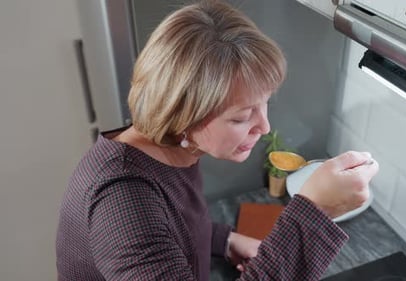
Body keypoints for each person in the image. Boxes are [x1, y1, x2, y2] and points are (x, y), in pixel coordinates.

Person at [56, 0, 379, 280]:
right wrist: (315, 210)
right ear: (183, 111)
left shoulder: (171, 150)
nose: (264, 127)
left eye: (265, 103)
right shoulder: (125, 199)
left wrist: (225, 241)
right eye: (241, 117)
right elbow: (145, 226)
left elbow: (175, 225)